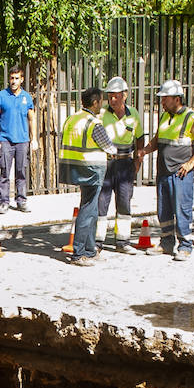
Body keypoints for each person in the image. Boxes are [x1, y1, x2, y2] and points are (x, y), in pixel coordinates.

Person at [137, 79, 194, 261]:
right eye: (162, 98)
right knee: (164, 210)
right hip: (163, 171)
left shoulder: (190, 118)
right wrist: (145, 150)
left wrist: (191, 163)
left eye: (165, 98)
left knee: (182, 209)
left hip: (180, 174)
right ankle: (166, 243)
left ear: (177, 99)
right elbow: (158, 139)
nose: (162, 102)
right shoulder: (164, 116)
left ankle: (185, 245)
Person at [59, 87, 117, 266]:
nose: (103, 104)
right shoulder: (94, 123)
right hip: (90, 168)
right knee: (88, 209)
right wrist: (114, 151)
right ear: (95, 103)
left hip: (73, 167)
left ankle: (90, 250)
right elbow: (108, 146)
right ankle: (79, 253)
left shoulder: (72, 118)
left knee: (90, 208)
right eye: (101, 101)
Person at [97, 76, 144, 253]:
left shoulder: (134, 115)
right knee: (102, 202)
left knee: (124, 202)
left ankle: (122, 242)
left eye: (116, 96)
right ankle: (98, 241)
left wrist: (138, 160)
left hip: (125, 164)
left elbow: (139, 138)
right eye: (110, 96)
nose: (113, 100)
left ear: (125, 95)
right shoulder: (102, 114)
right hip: (107, 163)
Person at [0, 65, 37, 213]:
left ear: (22, 80)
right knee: (4, 172)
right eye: (12, 78)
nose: (14, 81)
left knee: (21, 171)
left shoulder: (27, 97)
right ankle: (4, 201)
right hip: (5, 139)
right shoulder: (1, 96)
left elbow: (31, 119)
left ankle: (21, 200)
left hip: (22, 140)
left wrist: (34, 139)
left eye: (17, 78)